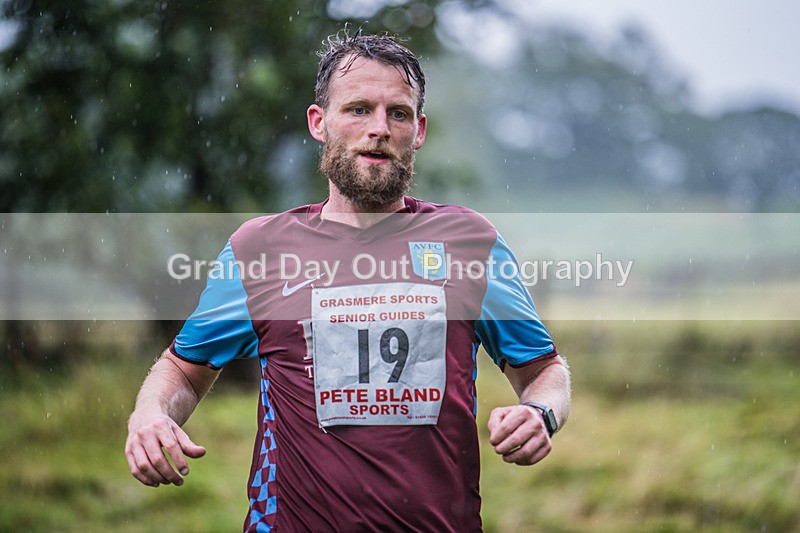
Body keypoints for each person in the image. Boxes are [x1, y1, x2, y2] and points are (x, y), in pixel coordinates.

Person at [125, 29, 571, 532]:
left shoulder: (469, 242)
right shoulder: (260, 249)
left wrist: (540, 413)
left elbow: (544, 371)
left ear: (418, 130)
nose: (378, 128)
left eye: (397, 113)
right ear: (320, 122)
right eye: (358, 108)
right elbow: (183, 370)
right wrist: (149, 415)